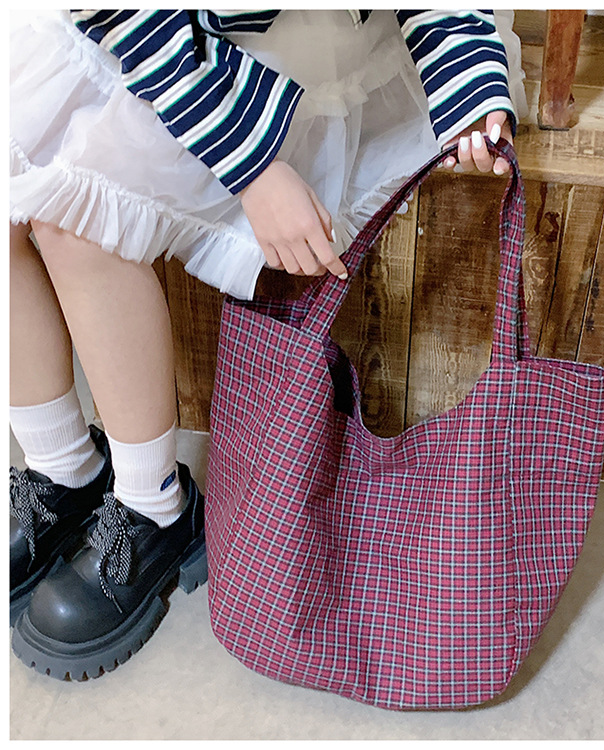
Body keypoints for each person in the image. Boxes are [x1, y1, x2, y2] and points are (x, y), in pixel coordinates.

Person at [9, 9, 524, 680]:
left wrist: (470, 83)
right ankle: (63, 470)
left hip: (288, 48)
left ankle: (153, 504)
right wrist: (251, 169)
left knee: (76, 226)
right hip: (151, 34)